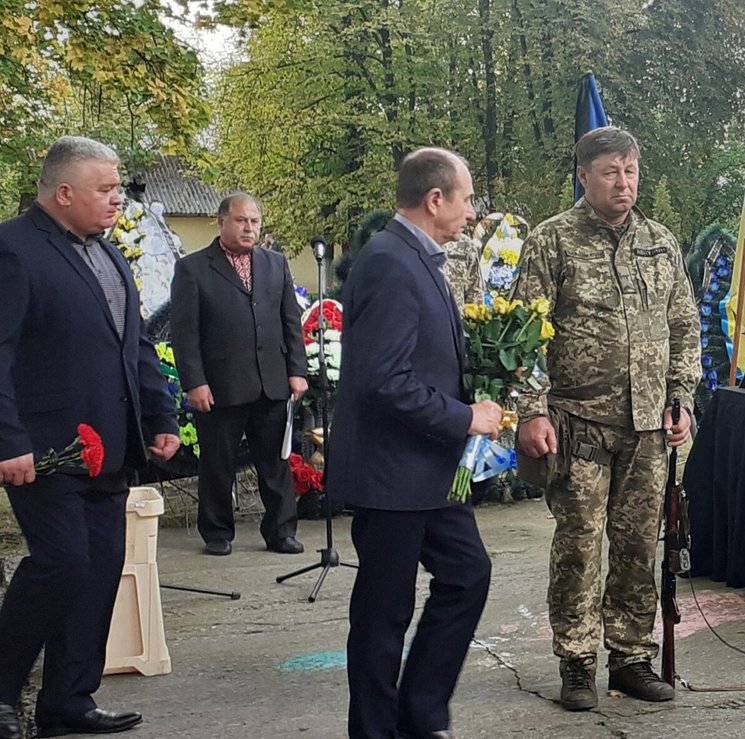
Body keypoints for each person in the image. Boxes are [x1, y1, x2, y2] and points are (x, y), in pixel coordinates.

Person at [511, 126, 699, 712]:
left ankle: (631, 658)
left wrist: (681, 398)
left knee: (639, 546)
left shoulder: (660, 242)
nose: (623, 183)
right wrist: (531, 410)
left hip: (648, 428)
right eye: (610, 172)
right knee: (579, 546)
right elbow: (523, 333)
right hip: (579, 425)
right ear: (584, 176)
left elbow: (683, 326)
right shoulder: (552, 241)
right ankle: (576, 661)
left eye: (630, 171)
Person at [0, 136, 180, 739]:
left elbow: (136, 344)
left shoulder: (108, 253)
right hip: (44, 448)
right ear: (64, 192)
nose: (116, 199)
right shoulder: (13, 248)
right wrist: (7, 439)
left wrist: (160, 417)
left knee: (100, 570)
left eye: (116, 187)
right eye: (105, 189)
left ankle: (68, 700)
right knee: (61, 563)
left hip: (112, 445)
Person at [327, 148, 504, 739]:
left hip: (428, 472)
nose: (471, 212)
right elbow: (384, 381)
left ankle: (420, 713)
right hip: (391, 474)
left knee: (467, 575)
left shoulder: (416, 257)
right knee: (384, 614)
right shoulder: (389, 262)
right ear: (435, 199)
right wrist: (465, 417)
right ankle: (376, 730)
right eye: (467, 199)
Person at [169, 193, 308, 557]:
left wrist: (297, 370)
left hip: (271, 382)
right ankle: (217, 532)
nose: (249, 228)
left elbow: (290, 322)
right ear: (222, 222)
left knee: (276, 464)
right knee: (218, 464)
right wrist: (194, 382)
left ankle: (281, 531)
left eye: (254, 221)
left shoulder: (275, 263)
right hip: (220, 386)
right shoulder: (193, 269)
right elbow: (184, 333)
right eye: (241, 220)